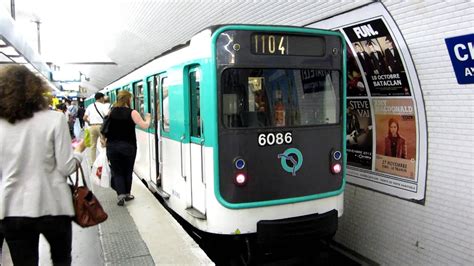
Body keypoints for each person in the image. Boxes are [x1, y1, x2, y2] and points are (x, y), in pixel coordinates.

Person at [0, 64, 86, 265]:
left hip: (12, 209)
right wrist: (79, 153)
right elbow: (66, 167)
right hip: (54, 205)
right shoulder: (54, 119)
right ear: (36, 90)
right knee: (61, 259)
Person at [105, 90, 151, 206]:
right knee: (127, 170)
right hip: (128, 146)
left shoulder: (111, 111)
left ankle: (120, 196)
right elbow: (144, 125)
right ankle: (127, 194)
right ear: (128, 99)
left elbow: (105, 127)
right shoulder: (132, 112)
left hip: (112, 146)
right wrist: (148, 118)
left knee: (117, 171)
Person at [83, 92, 109, 163]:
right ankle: (105, 161)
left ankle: (92, 163)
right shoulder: (103, 106)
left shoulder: (90, 106)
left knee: (93, 146)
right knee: (104, 144)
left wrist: (89, 122)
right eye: (103, 97)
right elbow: (107, 116)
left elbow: (84, 118)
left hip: (92, 126)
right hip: (101, 127)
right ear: (101, 98)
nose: (104, 99)